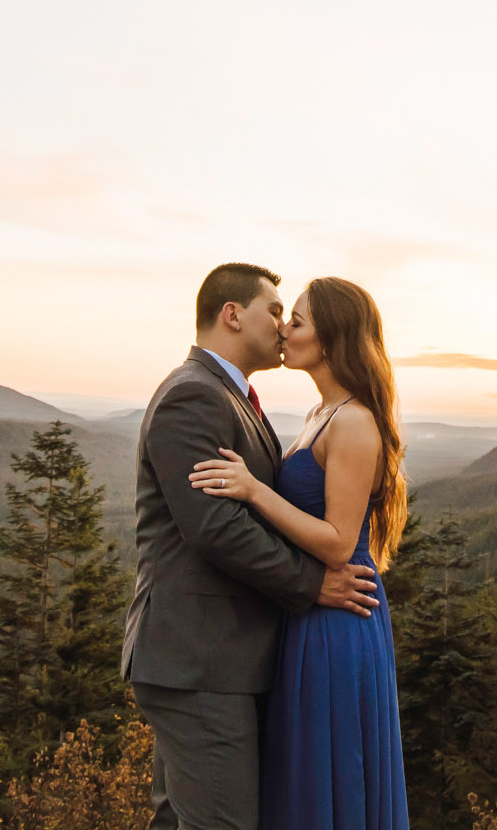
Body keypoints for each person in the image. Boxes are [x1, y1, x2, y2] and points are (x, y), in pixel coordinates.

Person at [124, 263, 380, 830]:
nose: (283, 328)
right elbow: (215, 527)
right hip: (201, 660)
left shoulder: (238, 399)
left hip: (220, 661)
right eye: (275, 312)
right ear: (232, 315)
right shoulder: (193, 396)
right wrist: (312, 584)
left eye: (294, 318)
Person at [190, 276, 411, 830]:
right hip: (310, 613)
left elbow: (339, 541)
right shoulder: (321, 415)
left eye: (299, 320)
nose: (285, 329)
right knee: (307, 772)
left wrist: (253, 489)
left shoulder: (355, 421)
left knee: (331, 768)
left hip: (339, 617)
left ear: (332, 340)